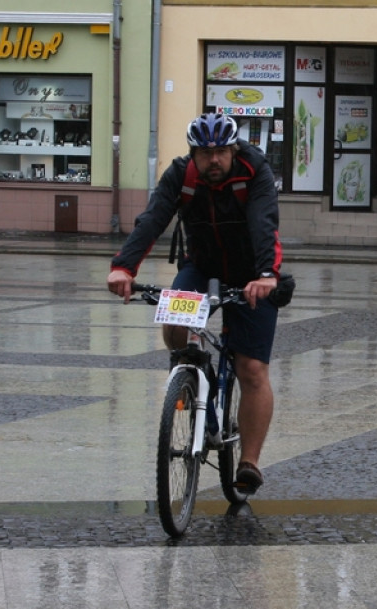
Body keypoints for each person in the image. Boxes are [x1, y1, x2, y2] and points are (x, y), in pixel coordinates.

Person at [107, 112, 282, 494]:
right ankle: (189, 370)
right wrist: (123, 267)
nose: (214, 160)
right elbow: (152, 220)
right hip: (200, 267)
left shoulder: (255, 171)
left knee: (251, 368)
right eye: (206, 153)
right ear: (194, 154)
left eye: (221, 151)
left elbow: (264, 223)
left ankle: (249, 462)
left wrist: (266, 274)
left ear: (234, 150)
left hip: (253, 275)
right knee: (174, 321)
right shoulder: (180, 176)